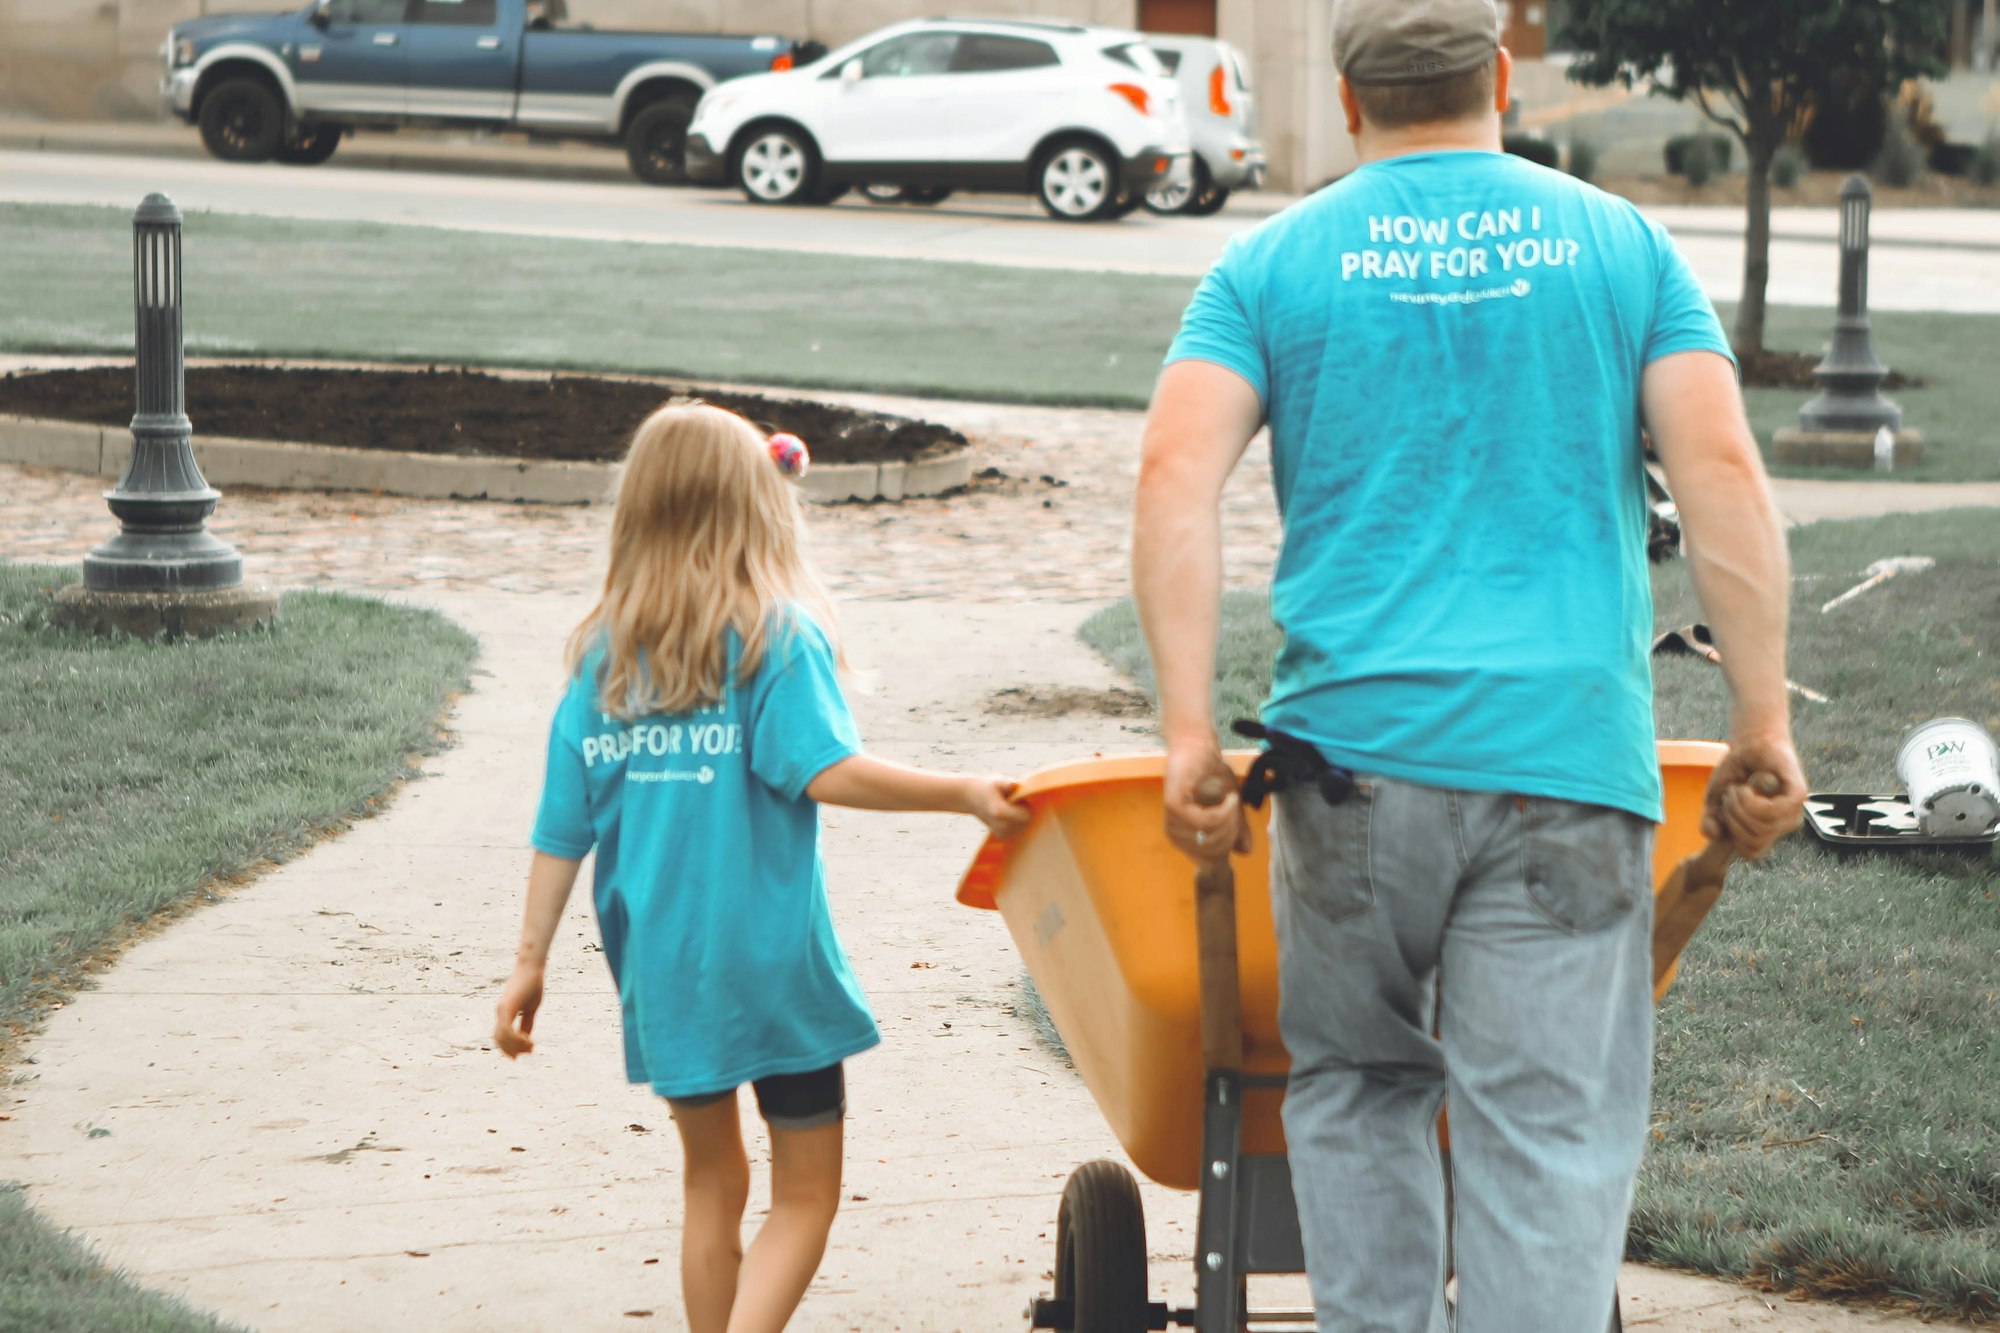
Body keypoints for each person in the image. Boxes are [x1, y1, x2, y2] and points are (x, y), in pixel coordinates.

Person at [1130, 0, 1808, 1328]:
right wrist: (1763, 714)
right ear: (1499, 75)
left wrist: (1189, 729)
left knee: (1359, 1088)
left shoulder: (1269, 265)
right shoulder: (1625, 248)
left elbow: (1172, 480)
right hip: (1565, 759)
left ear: (1346, 102)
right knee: (1546, 1132)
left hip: (1349, 771)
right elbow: (1720, 473)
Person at [493, 402, 1027, 1333]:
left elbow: (560, 828)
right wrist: (965, 791)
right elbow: (823, 769)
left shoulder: (603, 660)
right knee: (806, 1194)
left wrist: (529, 959)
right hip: (773, 965)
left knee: (711, 1184)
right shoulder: (777, 636)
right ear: (756, 508)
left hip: (662, 967)